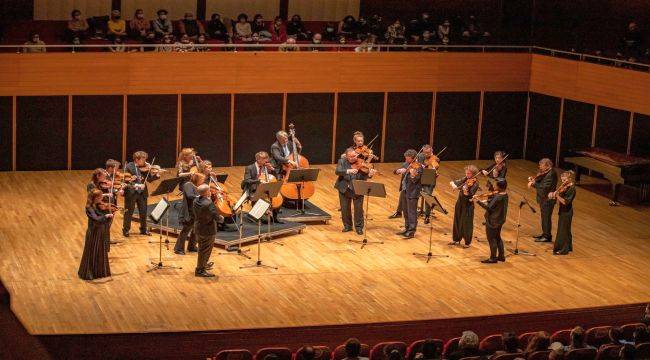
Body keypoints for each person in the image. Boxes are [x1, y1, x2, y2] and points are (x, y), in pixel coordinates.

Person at [335, 148, 376, 234]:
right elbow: (338, 171)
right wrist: (348, 170)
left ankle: (359, 227)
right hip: (344, 188)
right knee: (345, 208)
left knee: (358, 209)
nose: (354, 158)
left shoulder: (361, 162)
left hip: (358, 188)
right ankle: (347, 226)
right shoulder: (342, 161)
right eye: (351, 156)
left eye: (355, 156)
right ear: (346, 156)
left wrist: (370, 175)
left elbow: (366, 174)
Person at [122, 151, 161, 237]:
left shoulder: (144, 167)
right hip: (131, 192)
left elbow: (149, 179)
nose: (145, 162)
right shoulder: (129, 167)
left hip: (142, 193)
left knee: (143, 212)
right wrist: (138, 185)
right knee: (129, 212)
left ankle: (143, 229)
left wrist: (157, 175)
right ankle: (126, 230)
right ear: (137, 159)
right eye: (143, 160)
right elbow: (126, 181)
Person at [78, 189, 112, 280]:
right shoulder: (89, 208)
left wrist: (107, 213)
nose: (102, 198)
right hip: (94, 232)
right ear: (96, 198)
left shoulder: (96, 205)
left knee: (99, 252)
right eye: (100, 197)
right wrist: (105, 216)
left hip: (99, 231)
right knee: (92, 253)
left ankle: (99, 272)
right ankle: (89, 273)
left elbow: (101, 216)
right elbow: (96, 219)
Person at [242, 151, 281, 223]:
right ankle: (256, 215)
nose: (266, 161)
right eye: (264, 159)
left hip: (265, 188)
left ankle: (275, 217)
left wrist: (272, 170)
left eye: (266, 159)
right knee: (261, 197)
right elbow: (246, 180)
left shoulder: (266, 167)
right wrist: (258, 181)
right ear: (257, 159)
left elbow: (275, 177)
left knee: (277, 197)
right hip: (253, 189)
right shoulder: (249, 168)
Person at [475, 178, 508, 263]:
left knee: (492, 239)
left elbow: (489, 208)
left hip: (493, 220)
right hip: (500, 220)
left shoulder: (497, 197)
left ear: (499, 187)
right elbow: (495, 204)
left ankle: (493, 258)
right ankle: (501, 256)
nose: (493, 185)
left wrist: (478, 201)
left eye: (495, 184)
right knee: (497, 237)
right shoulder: (505, 195)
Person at [527, 158, 558, 243]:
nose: (539, 167)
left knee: (546, 218)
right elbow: (540, 184)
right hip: (543, 199)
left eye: (541, 165)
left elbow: (545, 187)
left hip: (548, 200)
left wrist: (534, 183)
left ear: (548, 165)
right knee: (544, 218)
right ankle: (545, 234)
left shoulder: (551, 174)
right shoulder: (546, 173)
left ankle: (547, 236)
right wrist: (534, 182)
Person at [174, 173, 205, 255]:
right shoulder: (188, 184)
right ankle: (178, 248)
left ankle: (192, 247)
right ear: (197, 179)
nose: (203, 181)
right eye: (202, 180)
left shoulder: (197, 187)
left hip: (195, 212)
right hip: (189, 212)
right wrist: (201, 196)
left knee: (195, 230)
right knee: (185, 230)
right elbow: (190, 195)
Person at [449, 166, 480, 247]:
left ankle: (467, 242)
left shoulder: (475, 183)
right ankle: (456, 239)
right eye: (466, 173)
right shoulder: (465, 179)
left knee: (467, 223)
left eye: (469, 173)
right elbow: (457, 182)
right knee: (457, 220)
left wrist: (467, 192)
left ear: (473, 174)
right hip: (460, 202)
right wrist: (454, 184)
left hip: (468, 205)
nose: (467, 175)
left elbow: (471, 194)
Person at [394, 149, 422, 239]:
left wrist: (412, 174)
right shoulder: (406, 164)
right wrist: (398, 171)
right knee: (405, 211)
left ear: (413, 158)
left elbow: (415, 180)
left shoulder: (419, 167)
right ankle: (407, 228)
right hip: (404, 190)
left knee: (412, 212)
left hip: (413, 192)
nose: (406, 160)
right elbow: (395, 172)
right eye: (405, 158)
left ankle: (411, 231)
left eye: (408, 159)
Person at [192, 184, 219, 277]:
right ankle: (200, 270)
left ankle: (203, 265)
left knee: (202, 249)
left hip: (198, 228)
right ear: (206, 192)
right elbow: (216, 216)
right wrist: (222, 218)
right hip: (208, 230)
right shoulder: (208, 203)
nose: (210, 191)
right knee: (205, 250)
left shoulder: (196, 200)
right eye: (209, 190)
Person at [550, 170, 576, 255]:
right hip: (563, 210)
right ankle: (569, 247)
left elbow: (565, 202)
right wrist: (554, 194)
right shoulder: (565, 186)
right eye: (562, 180)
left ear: (570, 179)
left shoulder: (572, 189)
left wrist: (556, 195)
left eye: (565, 180)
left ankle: (563, 249)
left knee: (563, 230)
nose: (563, 182)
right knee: (566, 229)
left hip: (567, 211)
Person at [419, 145, 439, 224]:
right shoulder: (420, 156)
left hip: (429, 181)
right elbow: (417, 166)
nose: (426, 154)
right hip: (420, 179)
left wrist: (433, 168)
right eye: (425, 152)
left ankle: (427, 215)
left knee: (427, 196)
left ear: (431, 151)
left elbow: (435, 166)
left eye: (428, 153)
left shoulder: (435, 159)